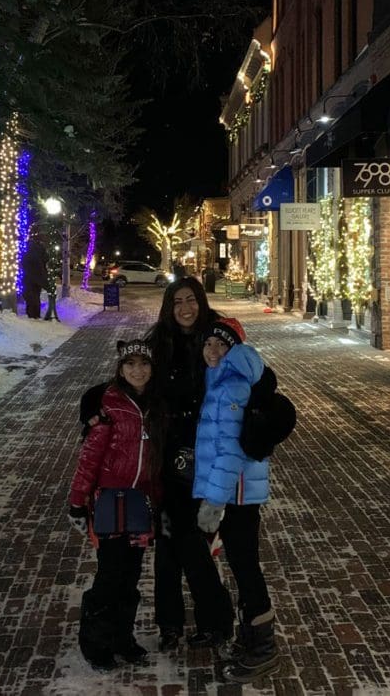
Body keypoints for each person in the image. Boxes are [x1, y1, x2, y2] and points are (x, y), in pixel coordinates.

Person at [146, 277, 235, 650]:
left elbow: (247, 376)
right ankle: (172, 622)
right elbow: (128, 382)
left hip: (205, 457)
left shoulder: (217, 339)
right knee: (168, 541)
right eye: (178, 301)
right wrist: (92, 406)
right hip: (167, 457)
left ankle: (215, 619)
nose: (185, 308)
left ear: (201, 302)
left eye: (191, 300)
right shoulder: (158, 344)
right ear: (169, 307)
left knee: (192, 540)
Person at [193, 317, 280, 683]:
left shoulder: (232, 385)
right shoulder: (221, 378)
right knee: (242, 564)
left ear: (234, 349)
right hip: (235, 493)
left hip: (237, 495)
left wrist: (214, 501)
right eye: (208, 343)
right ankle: (251, 637)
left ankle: (263, 648)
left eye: (221, 344)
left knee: (246, 567)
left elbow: (230, 450)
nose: (212, 350)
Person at [67, 340, 163, 671]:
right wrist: (77, 502)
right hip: (109, 502)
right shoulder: (108, 406)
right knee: (110, 574)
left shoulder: (156, 405)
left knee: (131, 575)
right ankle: (96, 642)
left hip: (139, 505)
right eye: (130, 364)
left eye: (144, 364)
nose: (138, 370)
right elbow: (89, 458)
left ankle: (123, 637)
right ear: (120, 369)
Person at [21, 236, 45, 319]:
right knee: (36, 295)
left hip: (29, 278)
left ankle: (31, 313)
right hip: (39, 278)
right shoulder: (40, 251)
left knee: (30, 296)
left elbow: (23, 264)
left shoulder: (27, 253)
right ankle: (36, 313)